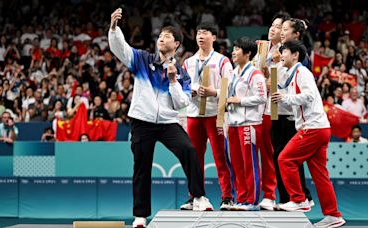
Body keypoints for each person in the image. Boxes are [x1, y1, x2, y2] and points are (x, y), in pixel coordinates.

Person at [109, 8, 212, 228]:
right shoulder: (142, 59)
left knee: (189, 150)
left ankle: (199, 196)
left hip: (167, 123)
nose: (161, 39)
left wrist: (174, 81)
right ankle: (140, 216)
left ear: (176, 44)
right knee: (141, 167)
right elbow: (121, 49)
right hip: (142, 122)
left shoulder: (182, 73)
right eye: (160, 36)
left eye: (167, 36)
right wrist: (114, 28)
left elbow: (181, 103)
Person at [271, 40, 345, 228]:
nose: (281, 55)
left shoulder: (302, 72)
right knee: (320, 175)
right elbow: (289, 101)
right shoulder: (290, 74)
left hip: (313, 128)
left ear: (295, 55)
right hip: (318, 128)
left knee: (284, 159)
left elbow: (310, 95)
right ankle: (333, 215)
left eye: (284, 52)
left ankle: (299, 199)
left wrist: (285, 97)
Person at [180, 22, 234, 211]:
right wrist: (192, 91)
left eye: (205, 33)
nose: (201, 36)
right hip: (194, 114)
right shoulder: (187, 62)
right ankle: (195, 195)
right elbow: (182, 87)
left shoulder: (222, 61)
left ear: (214, 37)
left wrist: (214, 92)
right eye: (199, 33)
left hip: (215, 114)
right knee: (194, 158)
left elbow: (230, 89)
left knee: (220, 156)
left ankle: (227, 197)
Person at [272, 17, 314, 208]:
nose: (281, 31)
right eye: (279, 28)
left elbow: (299, 90)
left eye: (285, 28)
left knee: (288, 158)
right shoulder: (279, 52)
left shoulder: (299, 58)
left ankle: (299, 197)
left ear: (296, 34)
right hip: (277, 111)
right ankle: (288, 198)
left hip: (291, 115)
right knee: (280, 157)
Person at [226, 37, 267, 210]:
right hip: (234, 124)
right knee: (236, 163)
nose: (233, 52)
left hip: (249, 124)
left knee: (249, 163)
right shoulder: (234, 73)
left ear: (248, 53)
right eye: (233, 49)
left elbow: (262, 97)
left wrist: (239, 101)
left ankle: (252, 201)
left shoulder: (255, 74)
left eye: (237, 49)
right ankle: (241, 198)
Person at [256, 13, 290, 211]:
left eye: (278, 27)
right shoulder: (260, 47)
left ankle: (271, 195)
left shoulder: (287, 52)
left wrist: (272, 74)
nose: (273, 29)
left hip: (274, 108)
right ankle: (253, 195)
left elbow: (282, 81)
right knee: (256, 153)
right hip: (254, 108)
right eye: (272, 25)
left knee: (271, 153)